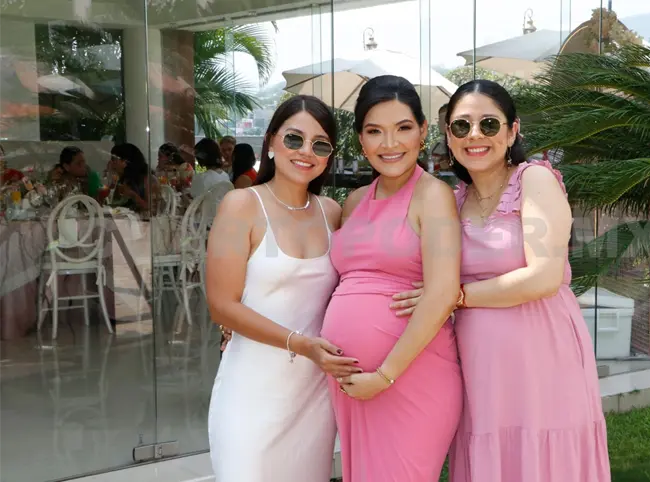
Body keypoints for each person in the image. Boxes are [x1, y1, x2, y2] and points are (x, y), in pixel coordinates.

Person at [390, 80, 611, 482]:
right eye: (461, 126)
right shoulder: (453, 200)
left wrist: (453, 296)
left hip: (542, 358)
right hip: (480, 369)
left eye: (489, 124)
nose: (474, 135)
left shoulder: (534, 180)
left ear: (512, 132)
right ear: (449, 137)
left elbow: (543, 276)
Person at [205, 95, 360, 482]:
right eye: (294, 139)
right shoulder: (241, 204)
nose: (306, 151)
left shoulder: (332, 212)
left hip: (312, 396)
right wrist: (299, 343)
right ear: (271, 141)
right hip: (250, 391)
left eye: (320, 144)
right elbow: (221, 306)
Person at [320, 75, 463, 481]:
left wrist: (383, 376)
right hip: (353, 383)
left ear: (422, 131)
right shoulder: (353, 202)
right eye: (374, 131)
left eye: (402, 128)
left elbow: (442, 293)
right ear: (360, 140)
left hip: (411, 378)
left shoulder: (432, 195)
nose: (389, 143)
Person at [108, 143, 159, 213]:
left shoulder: (148, 179)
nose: (111, 163)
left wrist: (133, 195)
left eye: (114, 159)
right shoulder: (126, 178)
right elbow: (116, 203)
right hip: (130, 218)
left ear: (125, 162)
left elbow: (152, 209)